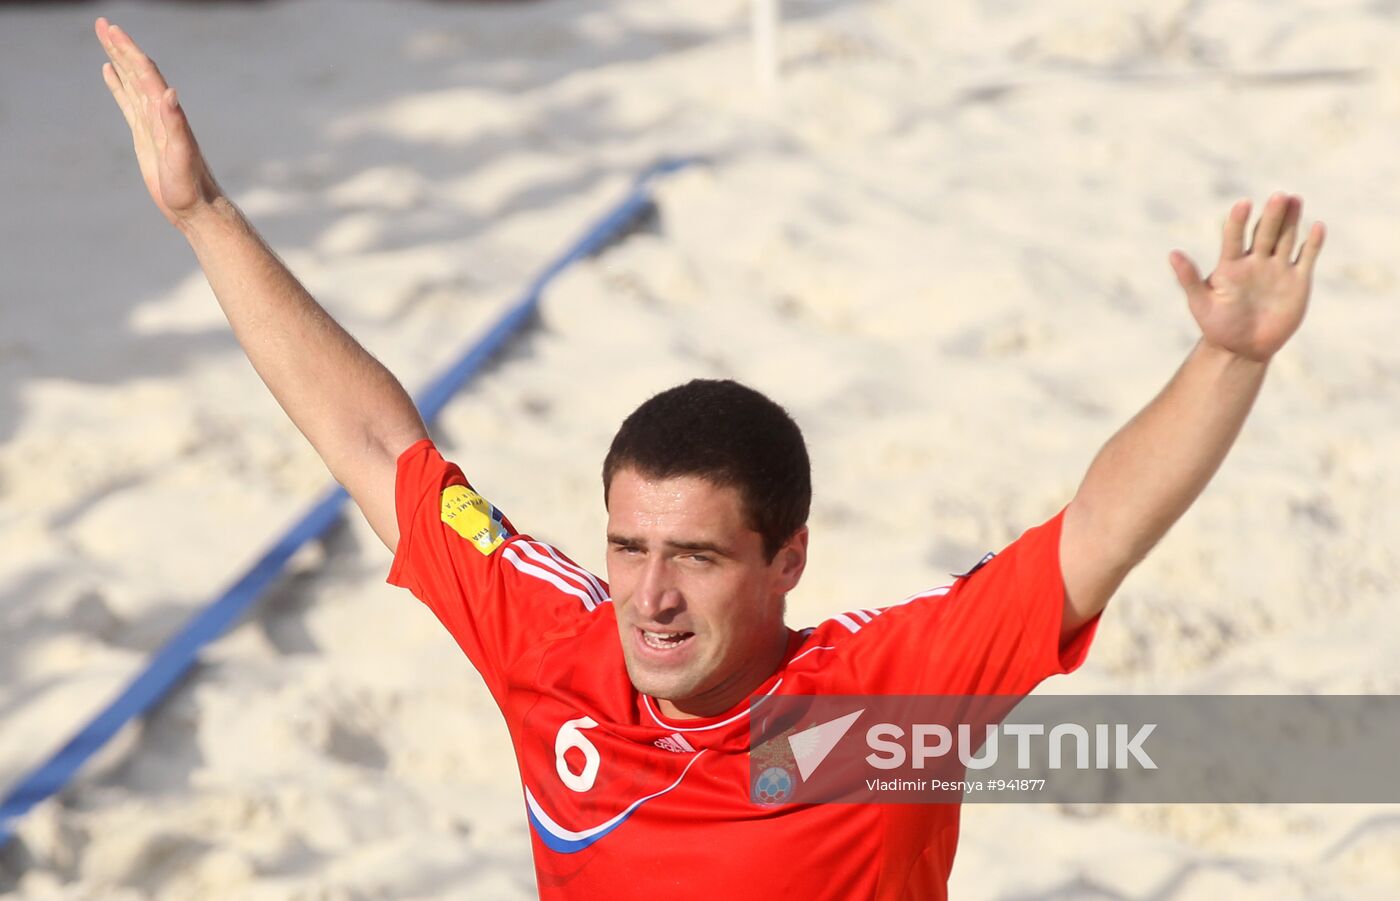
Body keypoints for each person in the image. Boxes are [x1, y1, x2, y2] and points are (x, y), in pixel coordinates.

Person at [95, 16, 1325, 900]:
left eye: (692, 555)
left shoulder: (860, 719)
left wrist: (1227, 362)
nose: (649, 595)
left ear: (786, 558)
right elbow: (376, 441)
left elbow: (1094, 532)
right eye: (628, 547)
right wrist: (203, 216)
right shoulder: (555, 646)